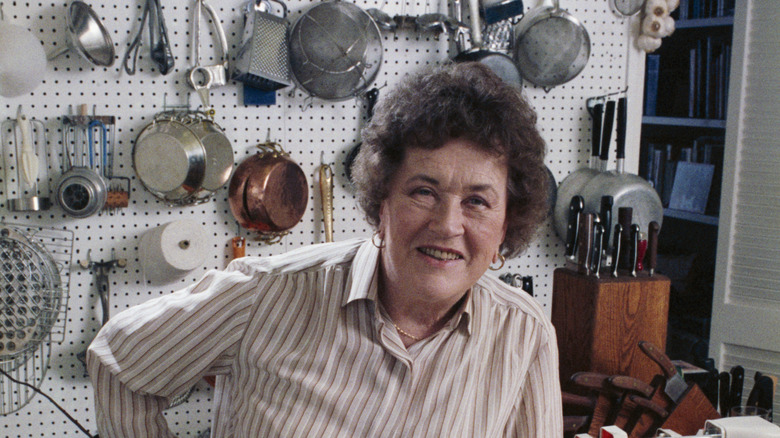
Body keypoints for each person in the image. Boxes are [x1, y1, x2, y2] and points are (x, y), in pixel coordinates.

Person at [87, 61, 562, 437]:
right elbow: (120, 362)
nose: (447, 224)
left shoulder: (524, 335)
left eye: (477, 202)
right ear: (382, 203)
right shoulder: (267, 296)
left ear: (506, 225)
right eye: (423, 191)